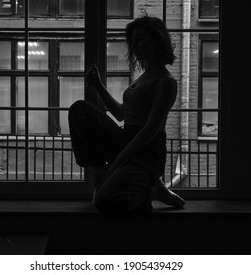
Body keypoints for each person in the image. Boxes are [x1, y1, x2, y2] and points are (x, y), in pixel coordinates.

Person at [68, 15, 185, 216]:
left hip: (147, 151)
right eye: (133, 41)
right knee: (80, 110)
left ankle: (150, 191)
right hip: (126, 138)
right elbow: (121, 114)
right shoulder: (142, 78)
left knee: (105, 201)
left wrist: (118, 161)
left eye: (140, 39)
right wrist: (97, 86)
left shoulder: (166, 82)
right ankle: (100, 174)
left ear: (156, 41)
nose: (135, 46)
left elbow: (149, 130)